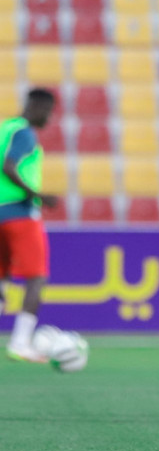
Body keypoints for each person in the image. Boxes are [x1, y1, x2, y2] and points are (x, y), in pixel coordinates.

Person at [0, 89, 59, 363]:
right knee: (36, 278)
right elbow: (8, 166)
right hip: (20, 214)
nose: (48, 118)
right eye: (48, 112)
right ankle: (20, 343)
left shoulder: (5, 128)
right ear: (36, 106)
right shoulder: (24, 132)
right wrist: (38, 195)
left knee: (2, 278)